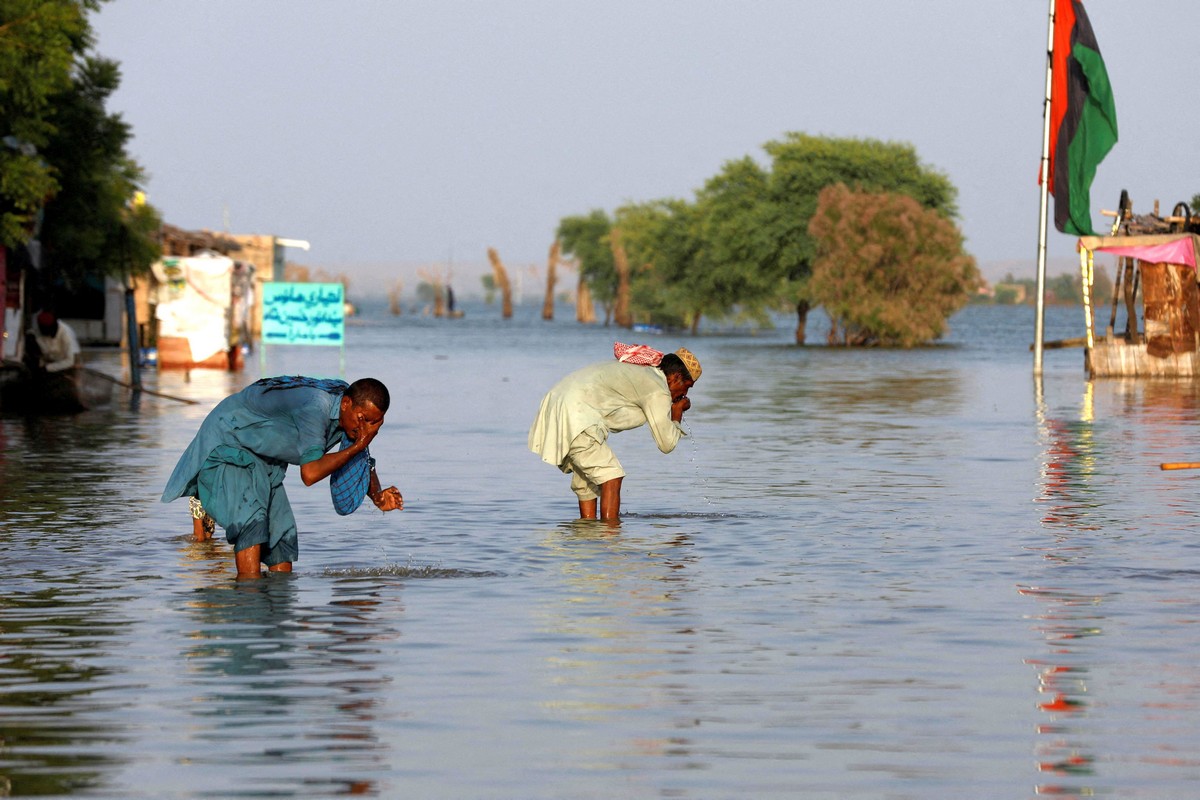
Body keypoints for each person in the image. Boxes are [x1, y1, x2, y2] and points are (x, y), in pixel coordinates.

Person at [162, 375, 404, 577]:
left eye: (374, 425)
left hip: (265, 459)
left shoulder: (352, 408)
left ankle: (276, 623)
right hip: (229, 443)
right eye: (363, 420)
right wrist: (358, 446)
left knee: (282, 540)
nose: (365, 430)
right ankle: (249, 605)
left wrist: (376, 495)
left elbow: (360, 457)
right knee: (253, 525)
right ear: (346, 403)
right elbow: (309, 474)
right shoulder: (315, 407)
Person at [528, 347, 701, 520]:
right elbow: (666, 443)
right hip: (577, 413)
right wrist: (677, 413)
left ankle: (587, 537)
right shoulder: (657, 388)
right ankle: (610, 539)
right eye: (687, 387)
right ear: (676, 377)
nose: (685, 394)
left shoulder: (645, 374)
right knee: (612, 476)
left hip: (559, 404)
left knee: (587, 484)